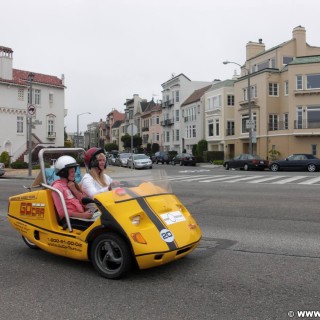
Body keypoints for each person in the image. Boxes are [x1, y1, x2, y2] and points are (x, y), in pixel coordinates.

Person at [51, 155, 93, 221]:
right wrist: (83, 215)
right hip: (70, 221)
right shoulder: (57, 187)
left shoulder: (71, 184)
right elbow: (62, 213)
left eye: (74, 171)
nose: (74, 174)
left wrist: (74, 190)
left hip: (80, 216)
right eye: (72, 172)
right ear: (64, 173)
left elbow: (82, 201)